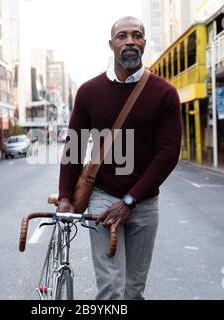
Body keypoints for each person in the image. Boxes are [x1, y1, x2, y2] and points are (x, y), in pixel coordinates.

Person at [57, 16, 182, 300]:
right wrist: (66, 195)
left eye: (136, 36)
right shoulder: (89, 92)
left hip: (145, 202)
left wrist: (131, 200)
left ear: (144, 44)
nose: (129, 42)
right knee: (111, 289)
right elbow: (74, 146)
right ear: (111, 44)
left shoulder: (165, 93)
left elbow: (168, 153)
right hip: (101, 196)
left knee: (133, 291)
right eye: (123, 36)